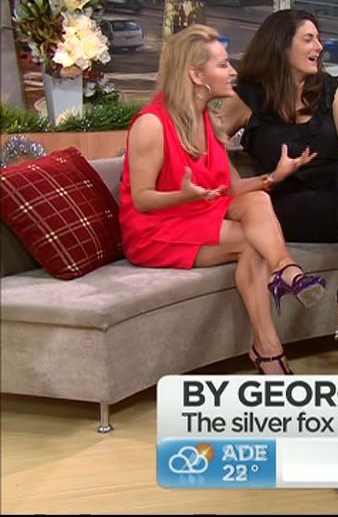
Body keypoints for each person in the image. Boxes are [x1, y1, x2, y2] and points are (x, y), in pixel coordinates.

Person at [120, 24, 325, 375]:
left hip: (199, 213)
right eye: (222, 64)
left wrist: (273, 177)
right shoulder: (152, 124)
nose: (232, 71)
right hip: (156, 230)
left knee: (258, 202)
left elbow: (228, 189)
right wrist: (182, 195)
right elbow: (141, 200)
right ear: (195, 75)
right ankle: (273, 330)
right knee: (251, 241)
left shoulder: (208, 120)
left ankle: (277, 309)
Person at [217, 9, 338, 324]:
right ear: (282, 45)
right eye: (309, 39)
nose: (319, 46)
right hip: (287, 204)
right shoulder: (248, 96)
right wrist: (237, 183)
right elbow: (211, 139)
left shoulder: (332, 88)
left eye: (318, 38)